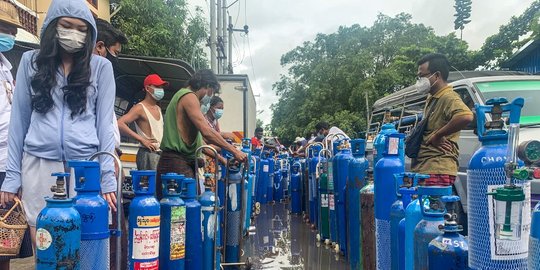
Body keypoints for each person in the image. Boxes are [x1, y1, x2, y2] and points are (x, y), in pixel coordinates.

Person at [0, 0, 117, 248]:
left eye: (81, 28)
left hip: (85, 168)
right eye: (66, 26)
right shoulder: (31, 62)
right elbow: (18, 122)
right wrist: (12, 177)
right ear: (53, 27)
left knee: (85, 247)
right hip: (38, 165)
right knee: (45, 245)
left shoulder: (101, 68)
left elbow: (105, 126)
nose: (74, 33)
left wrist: (107, 177)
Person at [156, 69, 246, 199]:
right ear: (207, 86)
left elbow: (201, 142)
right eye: (212, 92)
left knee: (188, 209)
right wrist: (234, 151)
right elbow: (207, 131)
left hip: (181, 163)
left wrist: (223, 160)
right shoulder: (189, 96)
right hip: (176, 164)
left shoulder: (184, 97)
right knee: (179, 213)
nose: (210, 96)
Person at [0, 2, 33, 268]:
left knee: (6, 241)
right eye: (3, 29)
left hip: (8, 165)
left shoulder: (8, 69)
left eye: (11, 30)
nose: (9, 36)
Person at [93, 18, 128, 270]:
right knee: (106, 237)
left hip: (108, 167)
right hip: (99, 170)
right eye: (113, 52)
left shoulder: (103, 78)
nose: (113, 59)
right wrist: (107, 169)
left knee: (115, 236)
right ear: (99, 47)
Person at [411, 53, 473, 186]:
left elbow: (465, 116)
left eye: (422, 76)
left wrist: (438, 135)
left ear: (437, 75)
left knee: (433, 206)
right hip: (425, 166)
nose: (419, 80)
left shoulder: (449, 97)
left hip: (437, 167)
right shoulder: (432, 97)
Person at [117, 74, 167, 170]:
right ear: (148, 88)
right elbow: (120, 123)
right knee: (148, 184)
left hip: (159, 153)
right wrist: (142, 140)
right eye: (157, 86)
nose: (160, 89)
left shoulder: (158, 108)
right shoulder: (139, 108)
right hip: (147, 153)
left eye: (161, 87)